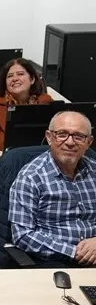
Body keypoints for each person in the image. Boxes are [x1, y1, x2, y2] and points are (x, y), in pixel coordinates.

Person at [9, 111, 96, 268]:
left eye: (78, 136)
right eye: (62, 134)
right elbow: (22, 235)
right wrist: (74, 252)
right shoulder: (31, 177)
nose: (70, 142)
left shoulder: (94, 171)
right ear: (49, 137)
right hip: (55, 261)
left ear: (88, 142)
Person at [0, 58, 55, 150]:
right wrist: (19, 143)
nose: (15, 79)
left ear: (32, 79)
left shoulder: (46, 102)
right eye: (10, 76)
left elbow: (57, 134)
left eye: (20, 74)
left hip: (39, 153)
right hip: (9, 153)